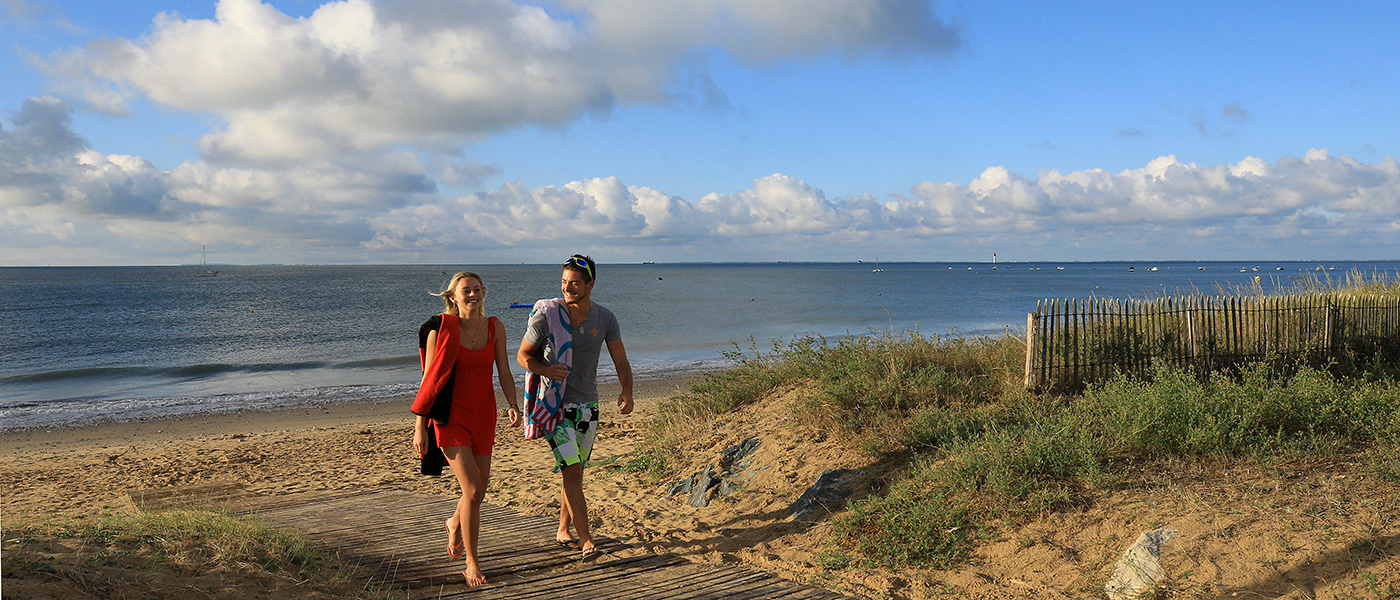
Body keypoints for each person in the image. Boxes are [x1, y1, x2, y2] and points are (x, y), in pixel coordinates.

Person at [517, 254, 633, 561]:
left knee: (574, 475)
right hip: (555, 406)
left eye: (575, 283)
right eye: (564, 283)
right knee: (573, 469)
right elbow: (524, 356)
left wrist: (627, 390)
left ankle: (562, 531)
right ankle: (586, 540)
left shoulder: (605, 318)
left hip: (589, 406)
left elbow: (620, 359)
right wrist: (545, 370)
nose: (568, 289)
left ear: (590, 284)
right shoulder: (548, 316)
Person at [412, 272, 521, 587]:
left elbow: (503, 370)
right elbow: (429, 382)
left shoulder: (495, 327)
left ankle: (453, 522)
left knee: (478, 491)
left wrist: (513, 404)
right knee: (472, 490)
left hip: (484, 414)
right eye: (466, 291)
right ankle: (472, 562)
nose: (472, 295)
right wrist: (420, 426)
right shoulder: (442, 331)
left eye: (477, 290)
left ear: (483, 293)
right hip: (451, 417)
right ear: (453, 297)